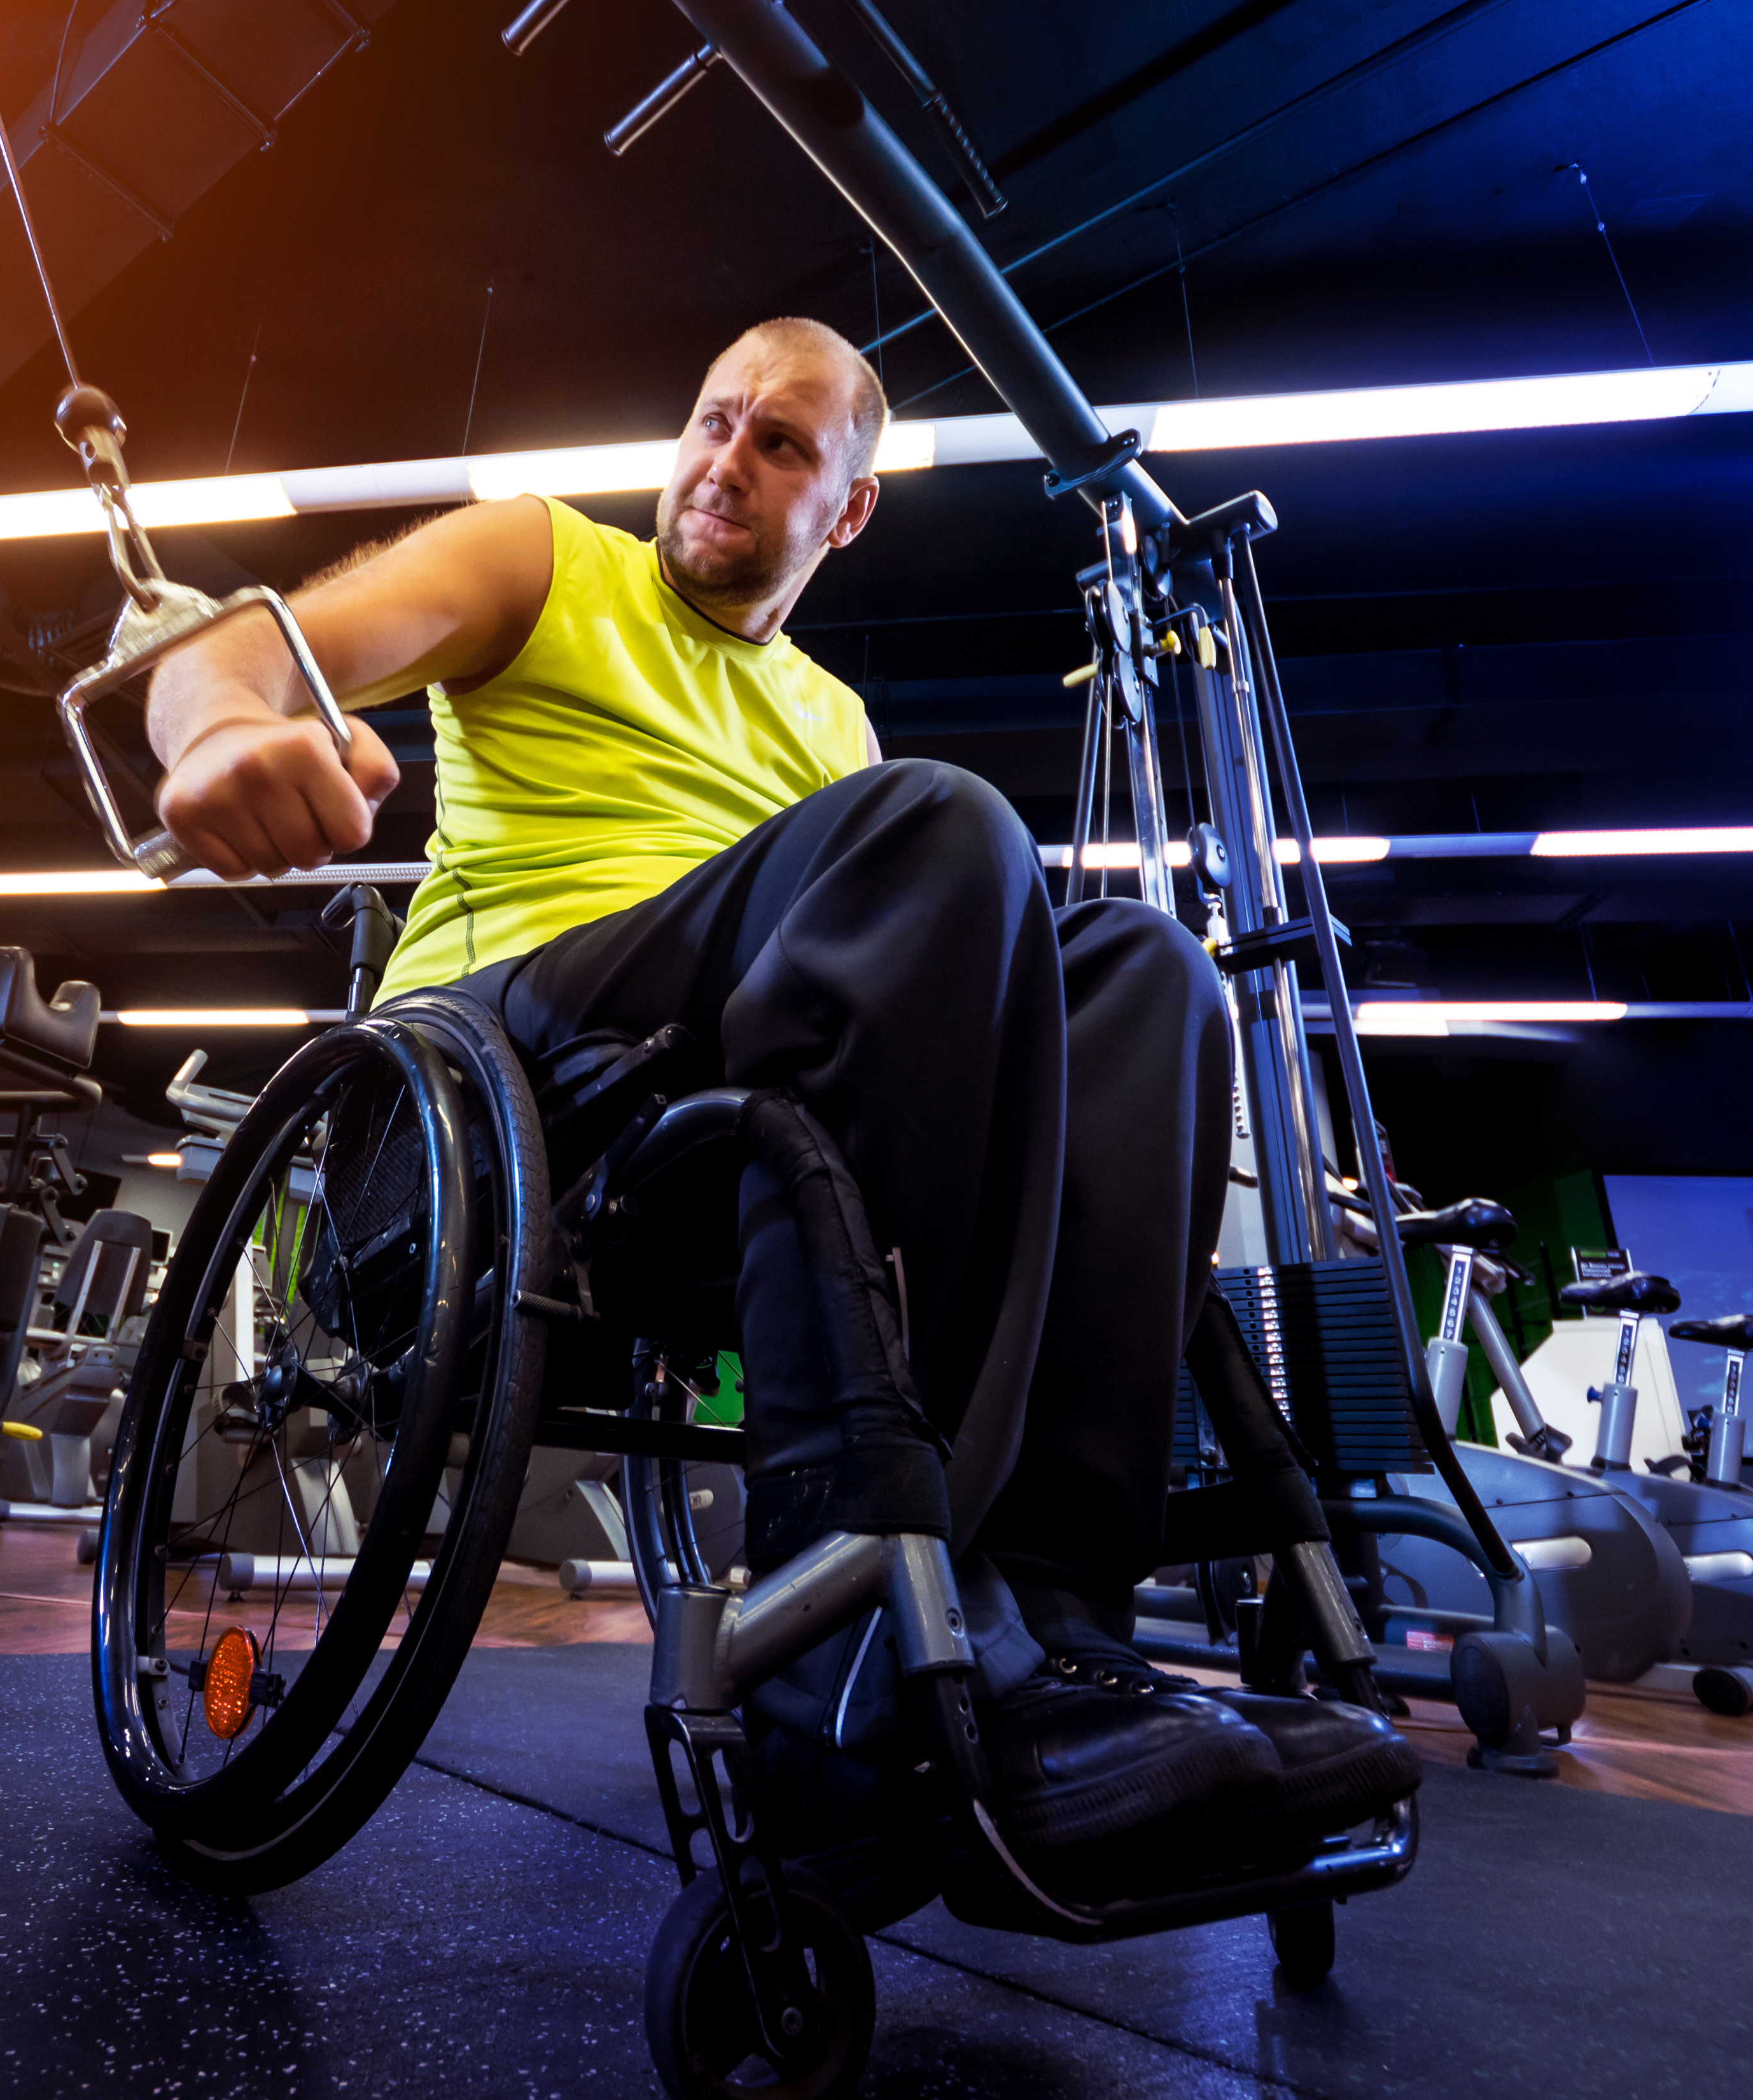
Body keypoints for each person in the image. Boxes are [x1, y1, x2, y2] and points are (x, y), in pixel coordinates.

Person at [144, 316, 1411, 1893]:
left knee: (1146, 972)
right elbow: (242, 649)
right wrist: (215, 726)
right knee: (941, 829)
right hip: (504, 1092)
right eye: (712, 421)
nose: (725, 461)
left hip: (719, 1118)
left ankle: (1056, 1648)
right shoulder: (545, 563)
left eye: (782, 442)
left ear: (850, 508)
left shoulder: (831, 725)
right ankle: (847, 1651)